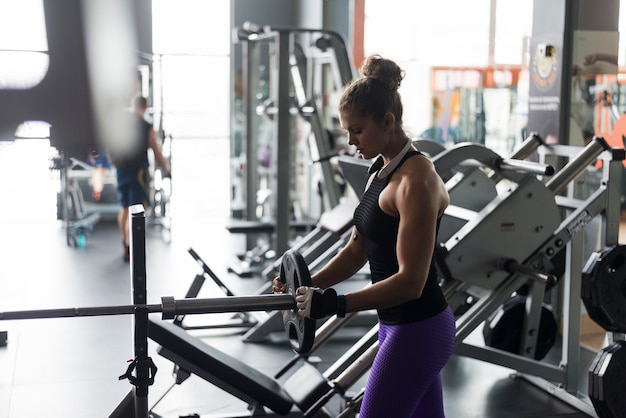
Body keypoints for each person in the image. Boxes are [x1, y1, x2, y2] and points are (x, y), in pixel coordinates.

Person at [273, 55, 456, 417]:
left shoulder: (415, 181)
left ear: (387, 122)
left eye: (356, 130)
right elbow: (357, 250)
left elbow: (410, 283)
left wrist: (334, 304)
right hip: (393, 325)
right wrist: (306, 288)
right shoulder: (379, 168)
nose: (350, 140)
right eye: (346, 131)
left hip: (418, 328)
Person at [109, 95, 171, 261]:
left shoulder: (122, 123)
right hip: (138, 172)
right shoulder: (146, 126)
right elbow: (156, 149)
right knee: (136, 210)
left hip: (121, 170)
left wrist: (113, 162)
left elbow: (110, 145)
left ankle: (125, 242)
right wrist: (166, 168)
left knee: (124, 208)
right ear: (145, 107)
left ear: (132, 104)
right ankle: (131, 245)